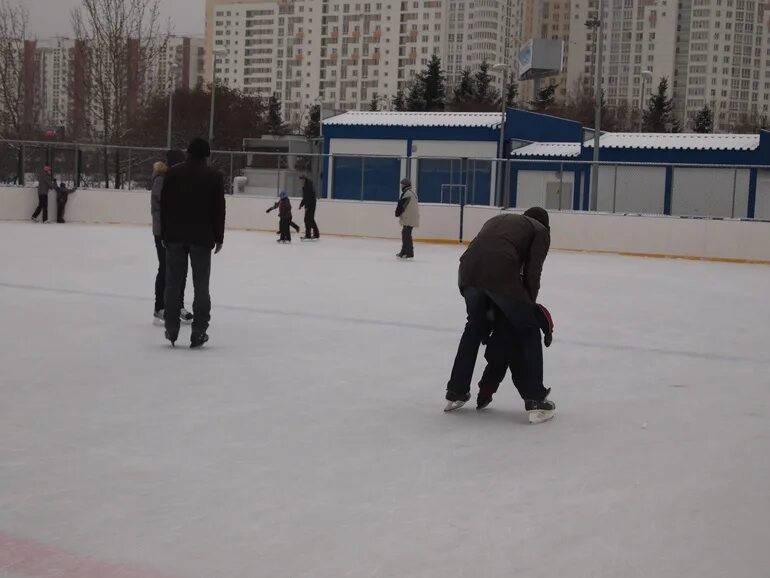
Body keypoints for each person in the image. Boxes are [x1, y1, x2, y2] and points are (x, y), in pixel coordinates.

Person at [444, 207, 555, 423]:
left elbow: (483, 249)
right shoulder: (540, 230)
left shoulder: (499, 220)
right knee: (529, 329)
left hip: (468, 271)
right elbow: (533, 271)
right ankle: (535, 398)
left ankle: (456, 390)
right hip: (499, 271)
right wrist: (528, 305)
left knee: (473, 328)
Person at [160, 138, 226, 348]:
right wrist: (219, 237)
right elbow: (219, 210)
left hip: (175, 236)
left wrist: (164, 233)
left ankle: (171, 328)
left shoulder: (173, 173)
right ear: (206, 155)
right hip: (202, 237)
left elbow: (164, 205)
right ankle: (199, 331)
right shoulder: (214, 176)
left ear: (188, 153)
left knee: (173, 284)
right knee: (201, 286)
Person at [475, 303, 555, 420]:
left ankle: (484, 394)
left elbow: (486, 320)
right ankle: (533, 399)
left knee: (494, 370)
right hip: (518, 347)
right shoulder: (529, 305)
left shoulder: (496, 306)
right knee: (522, 374)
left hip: (498, 345)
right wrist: (548, 333)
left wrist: (485, 336)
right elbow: (544, 316)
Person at [150, 150, 193, 326]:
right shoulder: (161, 180)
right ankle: (160, 307)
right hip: (163, 232)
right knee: (166, 268)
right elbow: (162, 206)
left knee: (181, 269)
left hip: (179, 232)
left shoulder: (180, 179)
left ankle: (178, 305)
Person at [395, 178, 419, 259]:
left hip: (408, 218)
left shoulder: (407, 194)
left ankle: (409, 253)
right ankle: (404, 251)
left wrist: (397, 213)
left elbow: (402, 205)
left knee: (406, 235)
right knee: (405, 234)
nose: (401, 186)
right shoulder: (411, 193)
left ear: (405, 185)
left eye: (402, 185)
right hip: (411, 217)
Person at [299, 175, 320, 240]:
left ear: (304, 179)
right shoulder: (305, 186)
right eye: (300, 180)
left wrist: (307, 206)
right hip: (310, 204)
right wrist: (301, 205)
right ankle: (316, 234)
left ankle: (308, 235)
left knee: (307, 219)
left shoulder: (308, 186)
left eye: (301, 180)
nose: (301, 182)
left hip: (311, 205)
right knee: (310, 219)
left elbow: (309, 198)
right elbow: (305, 197)